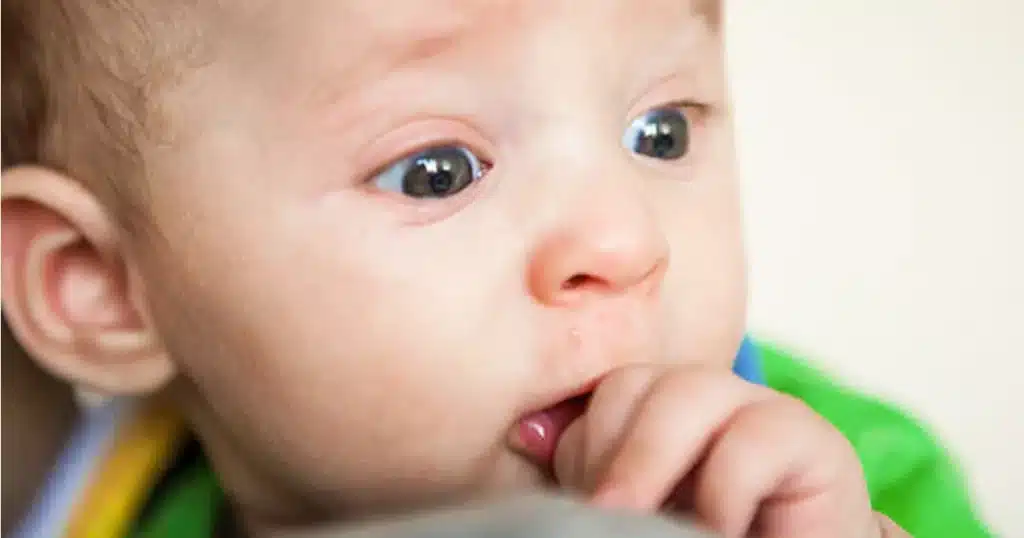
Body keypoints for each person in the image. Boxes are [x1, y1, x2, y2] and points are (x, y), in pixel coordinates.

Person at [0, 1, 993, 537]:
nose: (624, 242)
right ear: (100, 288)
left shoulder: (834, 481)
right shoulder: (96, 507)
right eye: (435, 171)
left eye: (660, 131)